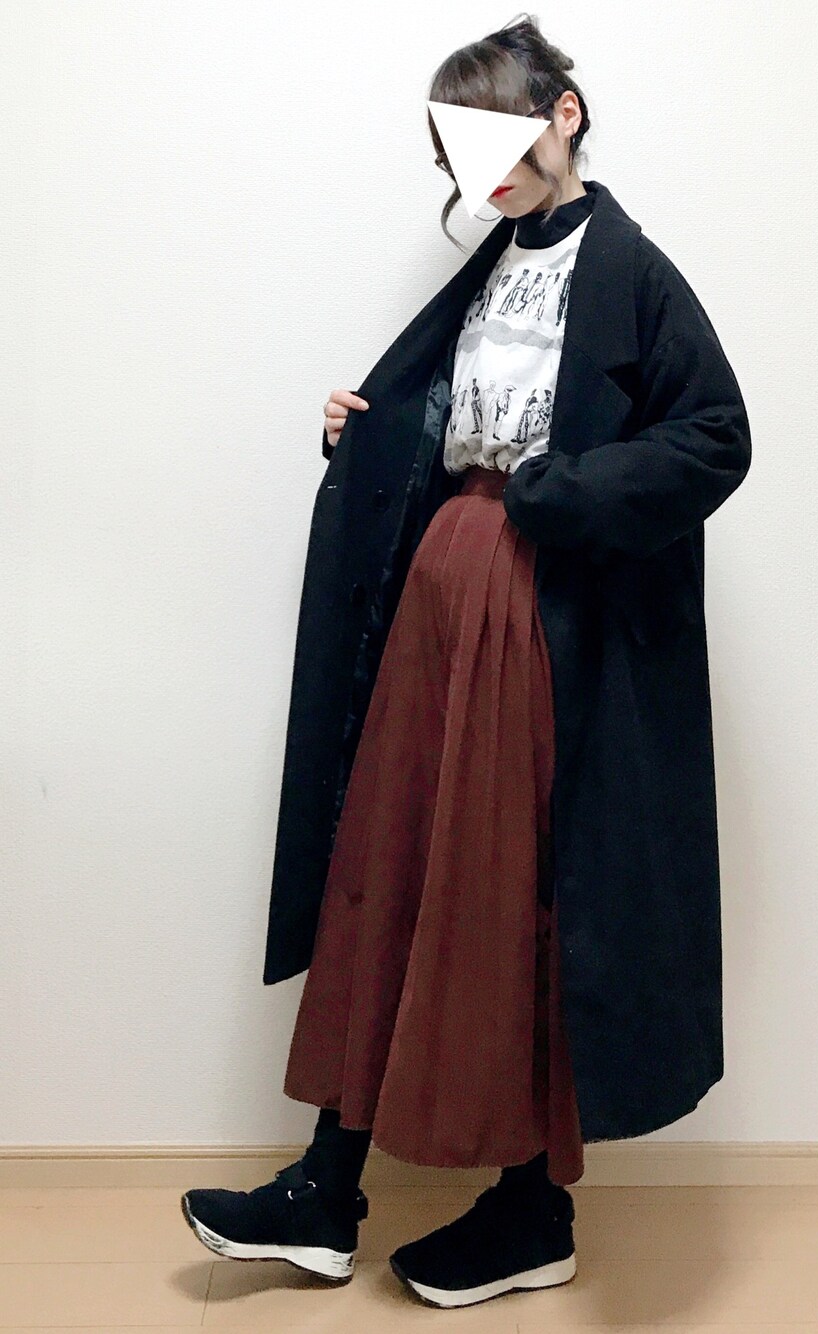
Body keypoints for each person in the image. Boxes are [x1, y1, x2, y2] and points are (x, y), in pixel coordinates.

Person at [181, 12, 751, 1313]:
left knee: (511, 894)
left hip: (536, 618)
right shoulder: (496, 265)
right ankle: (328, 1193)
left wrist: (558, 495)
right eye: (455, 151)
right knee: (386, 869)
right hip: (443, 605)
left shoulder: (631, 271)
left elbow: (715, 436)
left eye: (493, 140)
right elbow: (458, 422)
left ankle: (531, 1208)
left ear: (563, 114)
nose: (475, 173)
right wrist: (377, 431)